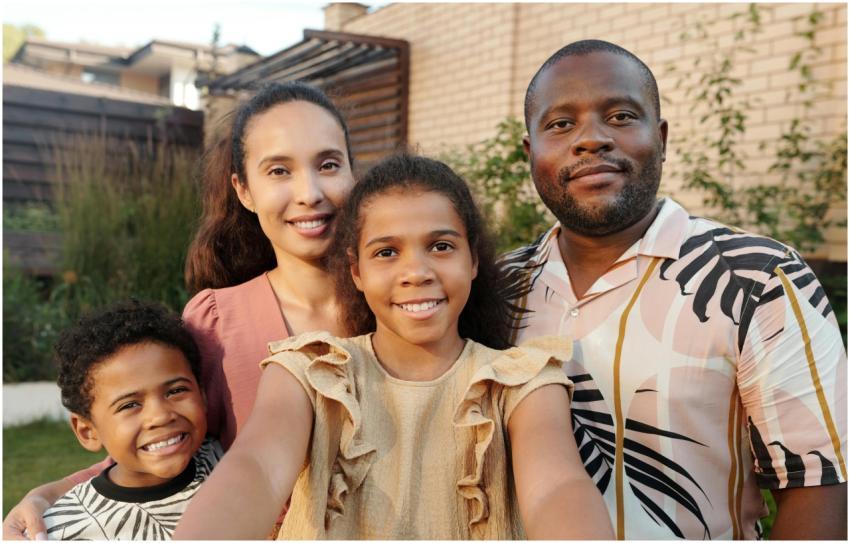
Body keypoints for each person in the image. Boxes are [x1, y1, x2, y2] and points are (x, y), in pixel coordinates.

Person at [501, 38, 847, 539]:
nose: (591, 139)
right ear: (530, 153)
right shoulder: (495, 287)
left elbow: (820, 486)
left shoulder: (756, 278)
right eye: (560, 124)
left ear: (660, 137)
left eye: (620, 116)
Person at [174, 153, 614, 539]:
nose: (416, 272)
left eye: (441, 246)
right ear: (357, 272)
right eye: (386, 253)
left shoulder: (523, 383)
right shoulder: (308, 374)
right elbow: (256, 468)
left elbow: (557, 488)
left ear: (474, 259)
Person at [3, 81, 356, 540]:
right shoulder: (218, 321)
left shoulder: (403, 303)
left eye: (328, 164)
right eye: (278, 171)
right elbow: (167, 441)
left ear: (353, 172)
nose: (309, 192)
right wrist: (51, 494)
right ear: (244, 190)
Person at [42, 300, 222, 540]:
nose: (160, 416)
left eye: (176, 391)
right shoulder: (63, 529)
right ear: (88, 431)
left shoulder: (229, 459)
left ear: (202, 395)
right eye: (130, 405)